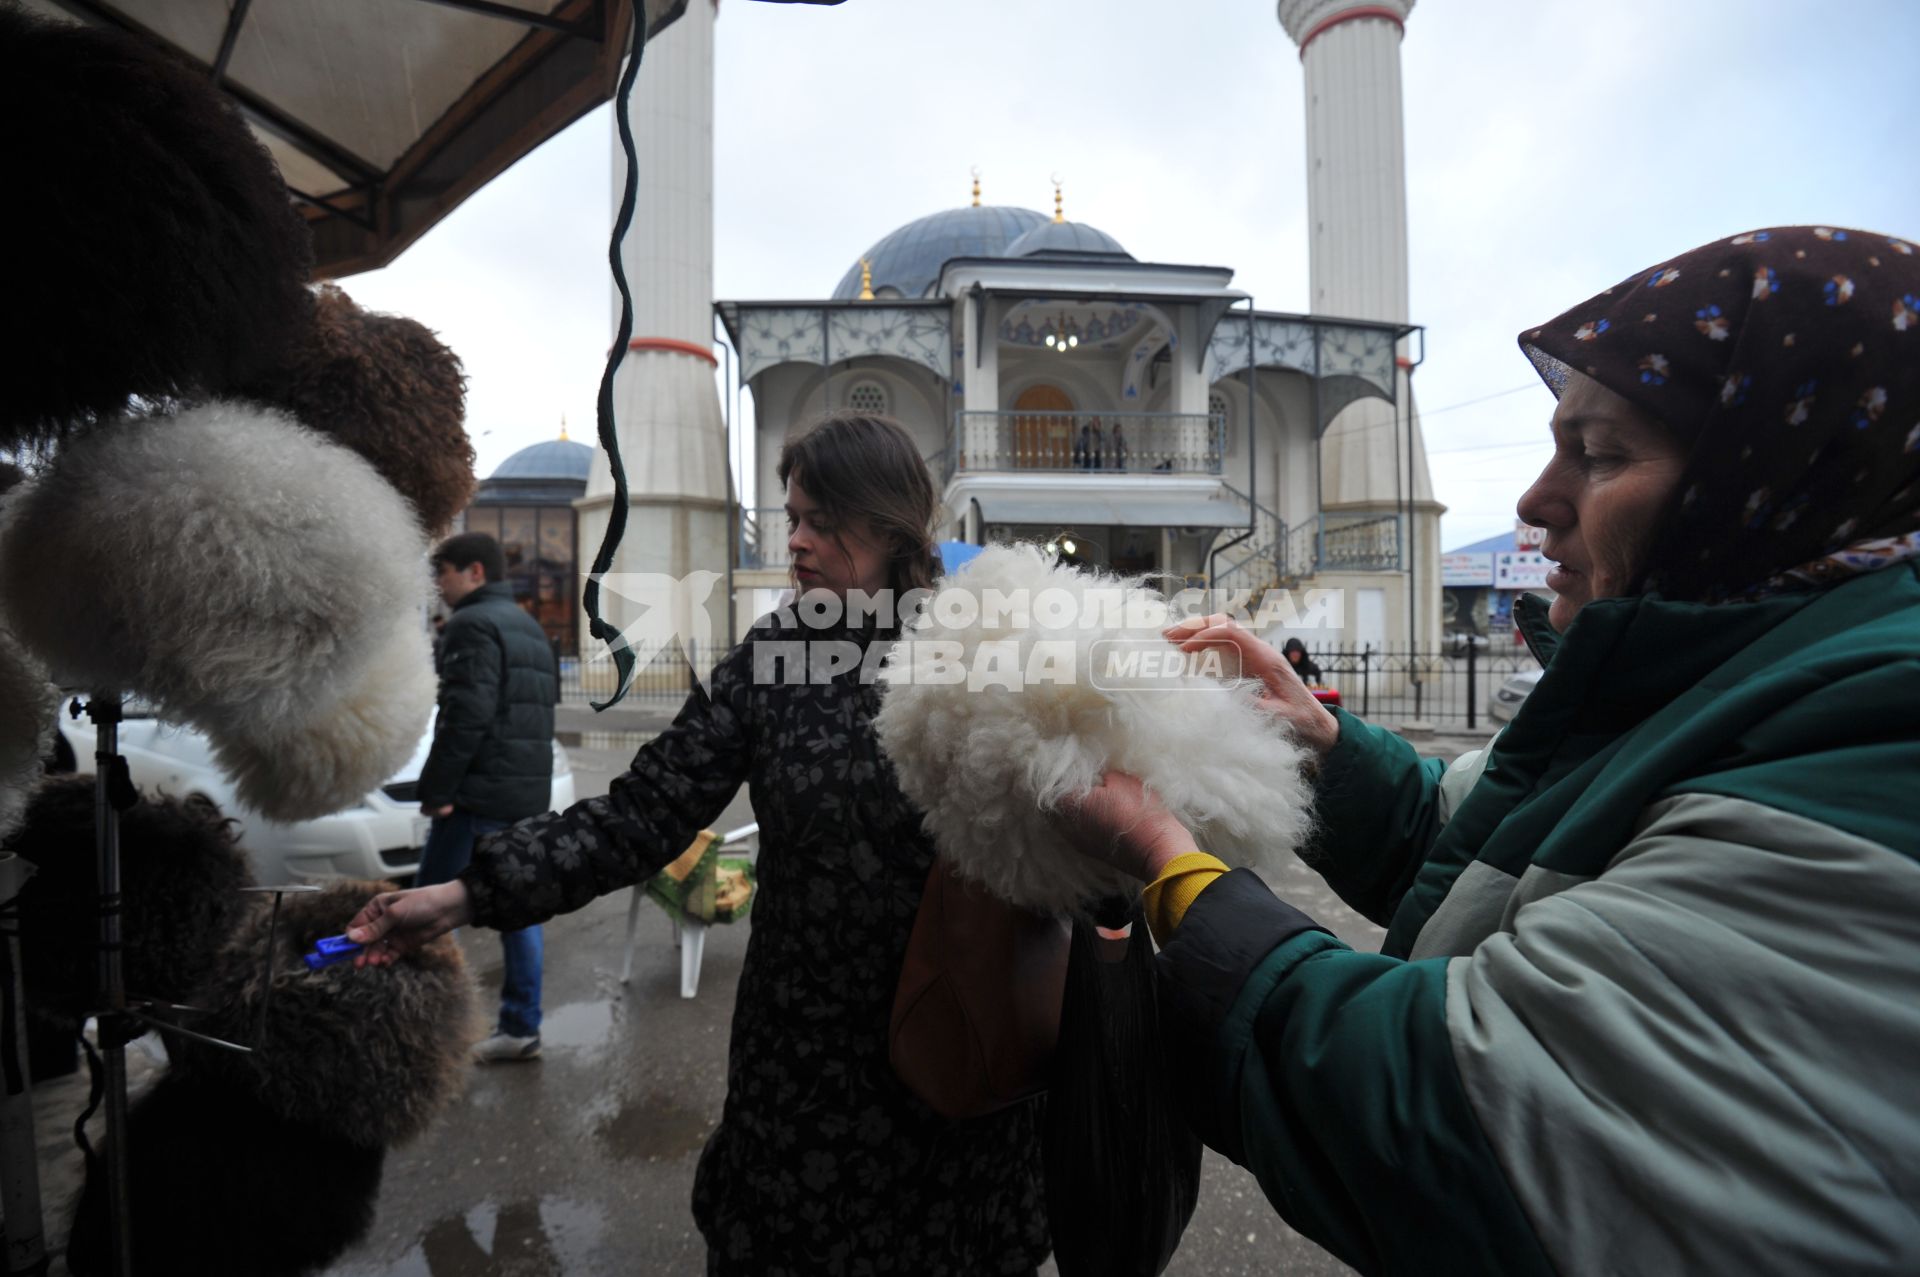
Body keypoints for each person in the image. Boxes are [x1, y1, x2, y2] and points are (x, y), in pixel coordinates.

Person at [1054, 227, 1920, 1275]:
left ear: (1772, 478)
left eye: (1598, 455)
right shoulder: (1716, 684)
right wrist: (1319, 741)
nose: (1535, 501)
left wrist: (1174, 868)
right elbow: (1498, 847)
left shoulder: (1871, 732)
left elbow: (1461, 1107)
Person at [349, 414, 1050, 1275]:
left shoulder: (985, 650)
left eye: (818, 521)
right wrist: (462, 896)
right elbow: (645, 808)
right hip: (802, 1082)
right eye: (790, 516)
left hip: (957, 1074)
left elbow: (1075, 834)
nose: (793, 540)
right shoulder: (775, 658)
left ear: (888, 522)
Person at [417, 531, 557, 1063]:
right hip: (522, 793)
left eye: (442, 573)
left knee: (422, 909)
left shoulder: (472, 624)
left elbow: (464, 717)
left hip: (476, 800)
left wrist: (438, 791)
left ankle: (419, 1031)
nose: (437, 586)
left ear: (474, 572)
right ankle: (521, 1025)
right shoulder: (528, 625)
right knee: (519, 908)